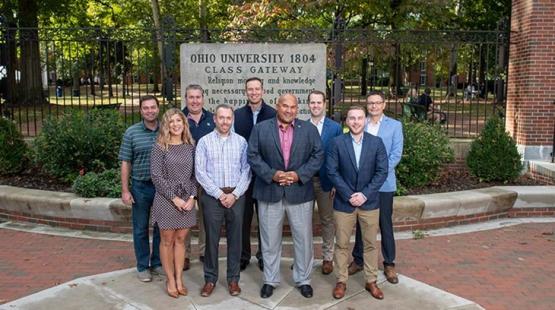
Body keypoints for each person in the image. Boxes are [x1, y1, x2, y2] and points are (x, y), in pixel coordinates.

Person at [248, 93, 323, 299]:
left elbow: (318, 155)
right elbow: (252, 155)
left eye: (293, 107)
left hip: (300, 191)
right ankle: (270, 280)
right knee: (270, 240)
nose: (289, 110)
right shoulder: (261, 129)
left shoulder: (308, 129)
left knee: (303, 239)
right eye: (285, 106)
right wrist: (273, 175)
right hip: (269, 191)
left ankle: (304, 279)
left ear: (297, 109)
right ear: (277, 106)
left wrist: (299, 175)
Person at [327, 105, 388, 300]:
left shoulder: (376, 143)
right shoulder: (337, 143)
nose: (355, 121)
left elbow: (381, 172)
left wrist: (364, 195)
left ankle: (371, 280)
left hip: (369, 203)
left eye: (359, 118)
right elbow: (332, 171)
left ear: (365, 120)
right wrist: (348, 194)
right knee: (342, 244)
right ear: (346, 121)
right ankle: (341, 281)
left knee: (370, 244)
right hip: (344, 204)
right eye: (352, 118)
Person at [195, 104, 251, 297]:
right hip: (212, 197)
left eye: (228, 118)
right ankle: (210, 279)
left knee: (236, 240)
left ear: (232, 119)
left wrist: (234, 194)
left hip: (236, 196)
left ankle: (233, 279)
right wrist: (219, 194)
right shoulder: (204, 142)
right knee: (211, 240)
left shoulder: (242, 142)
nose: (225, 121)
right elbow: (200, 172)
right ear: (215, 119)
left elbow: (247, 170)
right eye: (221, 118)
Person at [349, 91, 404, 285]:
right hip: (361, 185)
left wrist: (379, 174)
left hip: (384, 184)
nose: (373, 106)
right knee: (361, 222)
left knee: (384, 223)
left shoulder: (395, 126)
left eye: (377, 103)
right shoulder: (359, 123)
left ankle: (389, 263)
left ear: (384, 104)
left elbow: (396, 154)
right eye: (370, 103)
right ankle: (358, 259)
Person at [150, 108, 197, 298]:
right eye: (172, 121)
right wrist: (174, 198)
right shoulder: (160, 147)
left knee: (180, 241)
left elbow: (196, 175)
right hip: (166, 200)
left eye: (179, 121)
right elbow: (156, 176)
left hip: (186, 202)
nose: (176, 125)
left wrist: (192, 197)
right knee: (167, 240)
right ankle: (170, 279)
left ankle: (179, 279)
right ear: (166, 125)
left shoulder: (190, 146)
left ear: (184, 124)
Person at [119, 95, 163, 283]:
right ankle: (143, 266)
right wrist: (125, 190)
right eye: (146, 108)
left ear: (158, 109)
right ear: (140, 111)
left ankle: (158, 262)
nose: (150, 111)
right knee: (140, 228)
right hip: (141, 187)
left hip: (163, 188)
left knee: (162, 227)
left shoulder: (167, 130)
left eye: (153, 107)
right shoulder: (132, 132)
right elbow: (125, 162)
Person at [234, 77, 276, 272]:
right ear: (245, 92)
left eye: (257, 89)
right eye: (250, 89)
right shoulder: (237, 115)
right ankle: (244, 255)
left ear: (263, 91)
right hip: (243, 177)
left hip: (265, 177)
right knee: (243, 219)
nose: (253, 92)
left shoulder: (273, 115)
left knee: (265, 220)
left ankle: (263, 255)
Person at [307, 90, 343, 275]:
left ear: (324, 104)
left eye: (319, 102)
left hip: (326, 182)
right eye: (312, 103)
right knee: (303, 222)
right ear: (308, 105)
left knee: (327, 220)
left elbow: (338, 156)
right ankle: (305, 258)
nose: (315, 106)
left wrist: (337, 182)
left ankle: (328, 258)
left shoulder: (335, 128)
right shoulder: (301, 126)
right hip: (304, 182)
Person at [181, 84, 214, 270]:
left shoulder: (211, 119)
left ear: (203, 98)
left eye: (198, 97)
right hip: (184, 177)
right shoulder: (179, 119)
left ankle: (204, 251)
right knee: (185, 216)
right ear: (186, 99)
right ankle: (184, 254)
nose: (194, 101)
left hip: (207, 177)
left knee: (206, 216)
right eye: (191, 97)